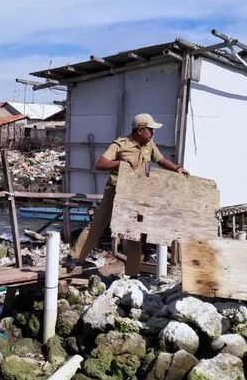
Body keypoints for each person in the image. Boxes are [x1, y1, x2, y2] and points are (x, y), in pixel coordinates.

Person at [65, 113, 189, 277]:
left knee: (133, 232)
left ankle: (132, 272)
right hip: (116, 191)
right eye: (150, 130)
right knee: (98, 225)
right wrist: (121, 163)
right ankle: (74, 257)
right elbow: (101, 163)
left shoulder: (149, 145)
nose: (153, 133)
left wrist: (177, 168)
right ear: (140, 130)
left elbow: (160, 160)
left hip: (135, 194)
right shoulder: (120, 144)